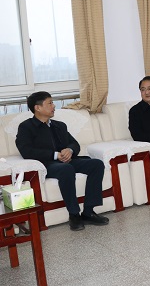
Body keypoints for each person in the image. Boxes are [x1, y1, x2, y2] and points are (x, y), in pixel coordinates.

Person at [16, 92, 109, 231]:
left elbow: (74, 144)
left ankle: (88, 212)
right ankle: (74, 214)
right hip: (46, 164)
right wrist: (55, 155)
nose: (54, 106)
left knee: (96, 164)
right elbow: (26, 150)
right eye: (50, 103)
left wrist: (69, 150)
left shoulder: (59, 125)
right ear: (38, 108)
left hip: (67, 161)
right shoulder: (26, 127)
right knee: (66, 169)